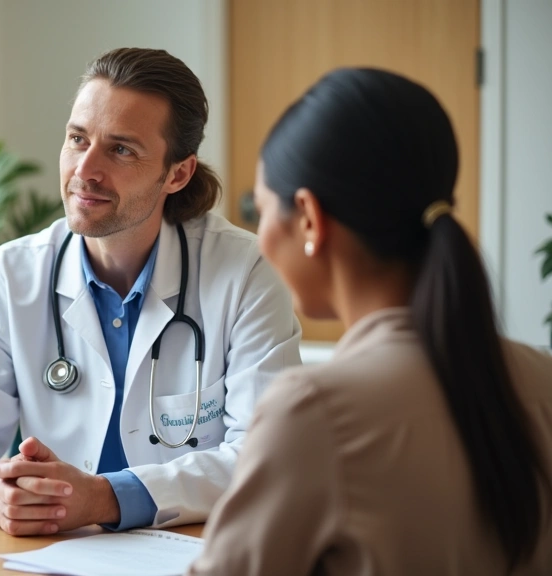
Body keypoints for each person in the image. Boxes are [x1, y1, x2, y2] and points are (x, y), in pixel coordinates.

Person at [0, 47, 302, 536]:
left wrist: (104, 498)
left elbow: (268, 458)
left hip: (195, 553)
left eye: (120, 149)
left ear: (177, 173)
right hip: (53, 554)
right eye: (78, 139)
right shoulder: (14, 274)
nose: (84, 170)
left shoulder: (243, 271)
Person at [189, 68, 552, 575]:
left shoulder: (313, 413)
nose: (260, 235)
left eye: (262, 209)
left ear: (310, 220)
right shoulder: (541, 380)